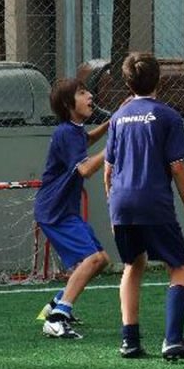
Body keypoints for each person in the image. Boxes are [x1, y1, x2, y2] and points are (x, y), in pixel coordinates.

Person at [104, 52, 184, 362]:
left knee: (132, 266)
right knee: (179, 267)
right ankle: (173, 340)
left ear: (127, 82)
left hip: (122, 204)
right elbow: (177, 168)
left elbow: (108, 170)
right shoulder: (167, 116)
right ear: (159, 80)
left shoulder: (117, 118)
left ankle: (130, 341)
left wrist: (113, 207)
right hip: (153, 202)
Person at [35, 79, 111, 340]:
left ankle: (55, 305)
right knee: (92, 259)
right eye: (82, 93)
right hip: (55, 211)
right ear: (69, 104)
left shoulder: (75, 130)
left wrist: (115, 123)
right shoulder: (65, 132)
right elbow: (86, 169)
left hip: (64, 210)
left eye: (88, 90)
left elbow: (87, 140)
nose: (90, 95)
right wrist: (115, 146)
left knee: (101, 259)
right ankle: (57, 319)